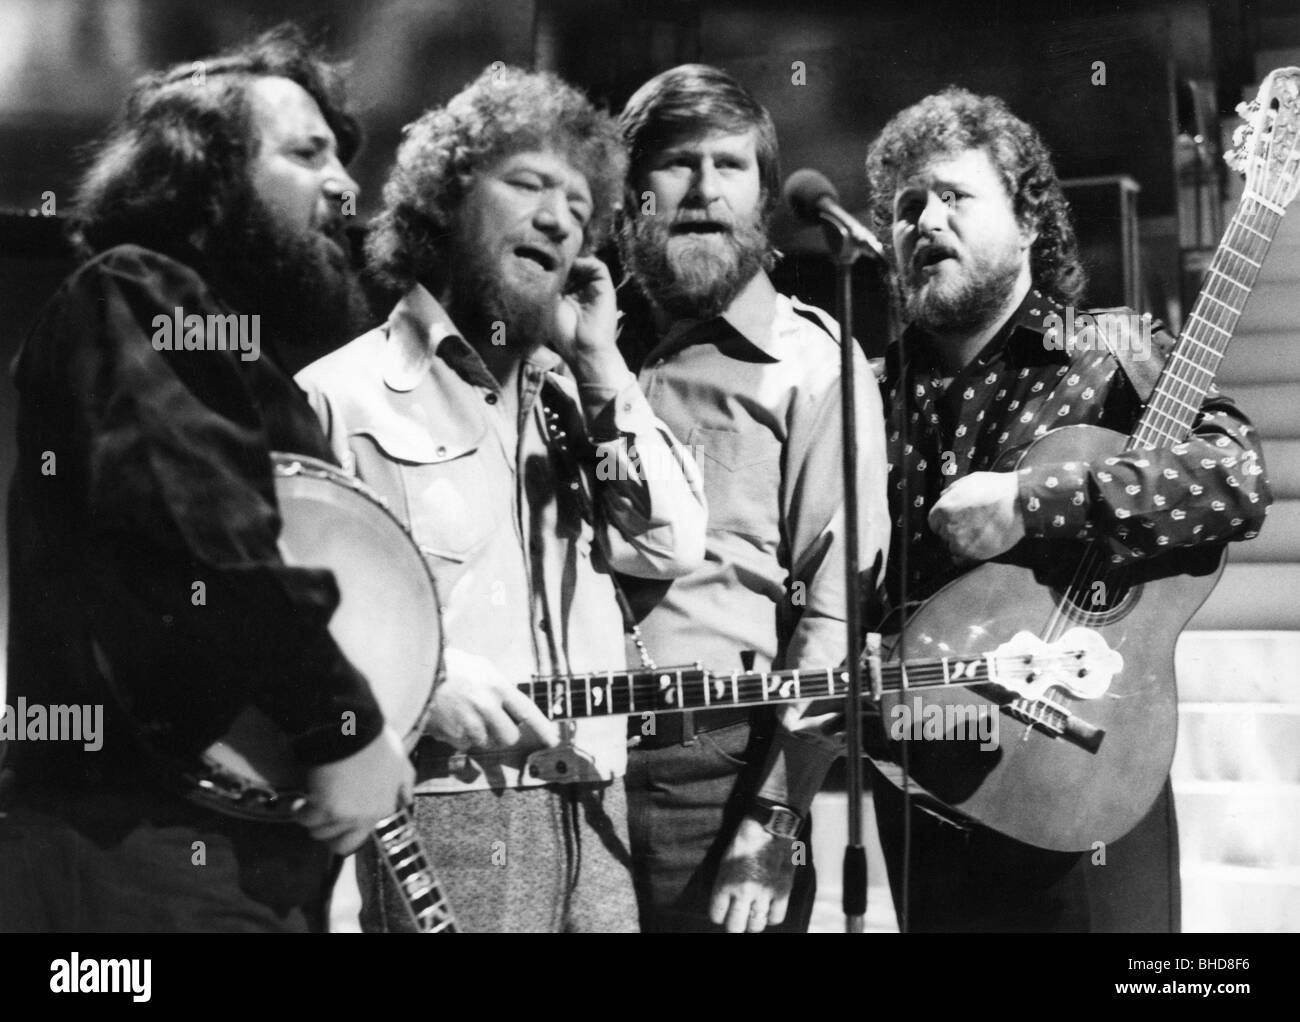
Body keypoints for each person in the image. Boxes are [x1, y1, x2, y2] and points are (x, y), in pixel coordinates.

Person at [0, 26, 414, 933]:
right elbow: (201, 537)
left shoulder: (227, 341)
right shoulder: (137, 289)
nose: (346, 185)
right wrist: (339, 724)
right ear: (203, 179)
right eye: (307, 154)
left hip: (219, 861)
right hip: (134, 860)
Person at [295, 65, 708, 933]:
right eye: (528, 185)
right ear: (444, 201)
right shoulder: (342, 396)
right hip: (446, 800)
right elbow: (286, 620)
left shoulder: (574, 396)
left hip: (594, 797)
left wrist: (602, 371)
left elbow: (666, 546)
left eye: (580, 208)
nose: (560, 219)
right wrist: (418, 684)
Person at [862, 86, 1272, 932]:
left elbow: (1235, 477)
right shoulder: (868, 392)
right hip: (926, 788)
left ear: (1028, 222)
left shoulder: (1117, 348)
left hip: (1097, 779)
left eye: (954, 195)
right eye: (907, 207)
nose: (925, 219)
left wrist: (1034, 500)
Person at [615, 64, 890, 933]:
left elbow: (836, 617)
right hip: (554, 764)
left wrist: (775, 816)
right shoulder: (575, 342)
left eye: (729, 166)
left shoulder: (815, 365)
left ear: (766, 199)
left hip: (715, 774)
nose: (701, 189)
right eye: (675, 163)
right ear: (630, 194)